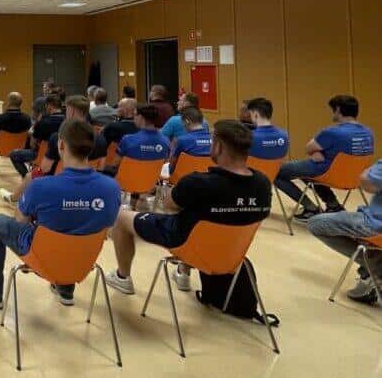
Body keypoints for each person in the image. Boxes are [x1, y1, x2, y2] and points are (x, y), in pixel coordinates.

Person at [105, 120, 271, 295]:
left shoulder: (198, 182)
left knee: (122, 217)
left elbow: (168, 205)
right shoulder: (263, 183)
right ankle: (182, 272)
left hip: (186, 244)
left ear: (219, 147)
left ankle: (122, 277)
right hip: (231, 253)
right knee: (199, 219)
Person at [0, 118, 121, 309]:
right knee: (80, 226)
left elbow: (20, 220)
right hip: (82, 263)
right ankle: (65, 289)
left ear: (61, 145)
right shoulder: (112, 188)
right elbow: (108, 224)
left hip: (42, 261)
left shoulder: (40, 186)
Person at [275, 95, 374, 221]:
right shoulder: (368, 132)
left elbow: (309, 148)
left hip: (327, 172)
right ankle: (333, 206)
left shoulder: (332, 132)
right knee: (305, 170)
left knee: (276, 172)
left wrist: (317, 152)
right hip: (355, 178)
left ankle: (310, 208)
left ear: (338, 110)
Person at [308, 159, 382, 305]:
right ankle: (370, 273)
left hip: (376, 225)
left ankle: (376, 269)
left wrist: (369, 170)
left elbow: (367, 183)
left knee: (316, 224)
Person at [0, 95, 87, 204]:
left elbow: (45, 167)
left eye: (68, 110)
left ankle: (14, 197)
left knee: (30, 173)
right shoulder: (98, 139)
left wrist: (31, 176)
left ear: (72, 111)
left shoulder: (57, 137)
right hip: (83, 183)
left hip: (53, 169)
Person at [105, 104, 170, 178]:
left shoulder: (127, 139)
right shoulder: (166, 141)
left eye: (135, 115)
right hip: (152, 183)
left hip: (127, 182)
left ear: (141, 117)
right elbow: (165, 165)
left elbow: (115, 164)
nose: (133, 118)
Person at [8, 94, 64, 178]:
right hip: (62, 157)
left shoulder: (41, 123)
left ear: (49, 106)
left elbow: (32, 145)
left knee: (13, 154)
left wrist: (32, 133)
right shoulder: (68, 122)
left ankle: (29, 177)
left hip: (41, 156)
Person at [168, 107, 211, 175]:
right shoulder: (215, 140)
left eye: (182, 122)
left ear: (187, 121)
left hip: (187, 178)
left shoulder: (181, 140)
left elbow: (171, 166)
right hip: (212, 178)